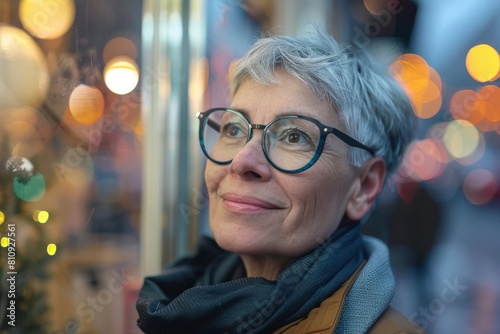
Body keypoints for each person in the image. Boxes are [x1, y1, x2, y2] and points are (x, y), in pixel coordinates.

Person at [136, 27, 425, 334]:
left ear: (363, 187)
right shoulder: (187, 299)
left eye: (294, 136)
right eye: (234, 129)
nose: (242, 161)